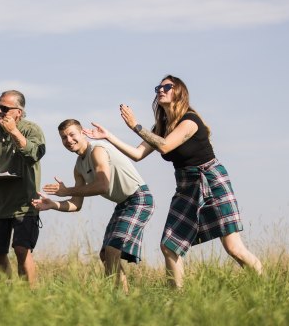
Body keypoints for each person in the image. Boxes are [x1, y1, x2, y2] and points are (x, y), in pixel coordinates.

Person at [84, 74, 262, 288]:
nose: (161, 89)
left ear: (179, 92)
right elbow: (138, 154)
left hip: (210, 179)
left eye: (167, 86)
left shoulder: (190, 120)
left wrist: (136, 126)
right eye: (158, 87)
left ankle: (264, 287)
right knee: (169, 246)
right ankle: (177, 302)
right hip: (186, 185)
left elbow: (166, 146)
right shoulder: (162, 126)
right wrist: (108, 136)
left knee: (234, 248)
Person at [33, 119, 153, 292]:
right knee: (106, 254)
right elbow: (76, 204)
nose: (69, 140)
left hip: (139, 198)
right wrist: (53, 204)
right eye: (64, 137)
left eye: (72, 134)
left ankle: (117, 298)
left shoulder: (97, 150)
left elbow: (102, 185)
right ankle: (124, 297)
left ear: (82, 133)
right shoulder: (79, 167)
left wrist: (67, 190)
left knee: (112, 250)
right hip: (123, 204)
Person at [0, 90, 45, 286]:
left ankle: (30, 297)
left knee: (22, 250)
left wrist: (13, 131)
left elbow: (34, 154)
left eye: (5, 108)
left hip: (25, 203)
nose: (0, 111)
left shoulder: (32, 130)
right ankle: (7, 297)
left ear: (18, 112)